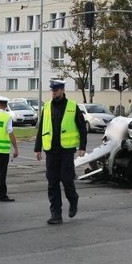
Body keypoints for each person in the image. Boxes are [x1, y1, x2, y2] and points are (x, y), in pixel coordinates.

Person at [34, 80, 87, 225]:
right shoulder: (47, 107)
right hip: (51, 151)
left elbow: (82, 128)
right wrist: (37, 148)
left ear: (62, 90)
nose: (53, 93)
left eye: (56, 90)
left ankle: (73, 199)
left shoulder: (72, 107)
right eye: (52, 90)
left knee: (67, 179)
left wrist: (82, 147)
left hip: (66, 151)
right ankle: (56, 214)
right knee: (52, 183)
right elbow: (41, 129)